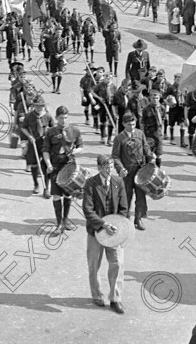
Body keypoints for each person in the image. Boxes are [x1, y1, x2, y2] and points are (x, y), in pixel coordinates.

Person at [82, 155, 128, 314]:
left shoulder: (118, 182)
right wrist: (103, 225)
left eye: (111, 167)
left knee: (117, 264)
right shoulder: (90, 184)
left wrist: (118, 225)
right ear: (99, 168)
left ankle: (115, 299)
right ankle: (97, 295)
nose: (110, 170)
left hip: (114, 232)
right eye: (107, 167)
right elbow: (88, 210)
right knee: (93, 265)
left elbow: (124, 208)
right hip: (96, 232)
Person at [111, 113, 155, 231]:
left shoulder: (140, 133)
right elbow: (115, 156)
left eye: (134, 124)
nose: (132, 127)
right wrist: (120, 168)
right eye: (129, 125)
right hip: (127, 171)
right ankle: (125, 219)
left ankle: (138, 219)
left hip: (140, 170)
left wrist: (151, 157)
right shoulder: (119, 138)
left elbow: (145, 147)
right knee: (126, 196)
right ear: (123, 124)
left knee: (141, 196)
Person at [43, 106, 83, 233]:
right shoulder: (50, 132)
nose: (63, 120)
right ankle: (59, 223)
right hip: (55, 167)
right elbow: (45, 150)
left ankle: (65, 221)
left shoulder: (74, 130)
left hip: (69, 167)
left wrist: (75, 151)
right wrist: (48, 164)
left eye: (65, 118)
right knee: (56, 195)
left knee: (68, 195)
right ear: (56, 118)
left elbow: (81, 146)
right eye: (61, 118)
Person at [20, 95, 54, 197]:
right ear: (34, 106)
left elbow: (53, 129)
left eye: (41, 106)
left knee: (46, 165)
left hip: (45, 144)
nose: (40, 108)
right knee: (34, 165)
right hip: (34, 142)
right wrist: (29, 136)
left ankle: (46, 188)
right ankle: (36, 184)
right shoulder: (29, 116)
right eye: (37, 106)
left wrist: (49, 134)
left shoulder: (48, 116)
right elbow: (23, 128)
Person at [141, 89, 167, 168]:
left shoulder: (162, 108)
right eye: (153, 98)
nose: (155, 100)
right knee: (148, 153)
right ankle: (147, 170)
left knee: (158, 153)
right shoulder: (146, 109)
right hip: (149, 134)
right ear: (150, 98)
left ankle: (158, 169)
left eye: (157, 98)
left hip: (158, 134)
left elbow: (163, 119)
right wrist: (142, 134)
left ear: (159, 98)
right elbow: (143, 122)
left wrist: (164, 132)